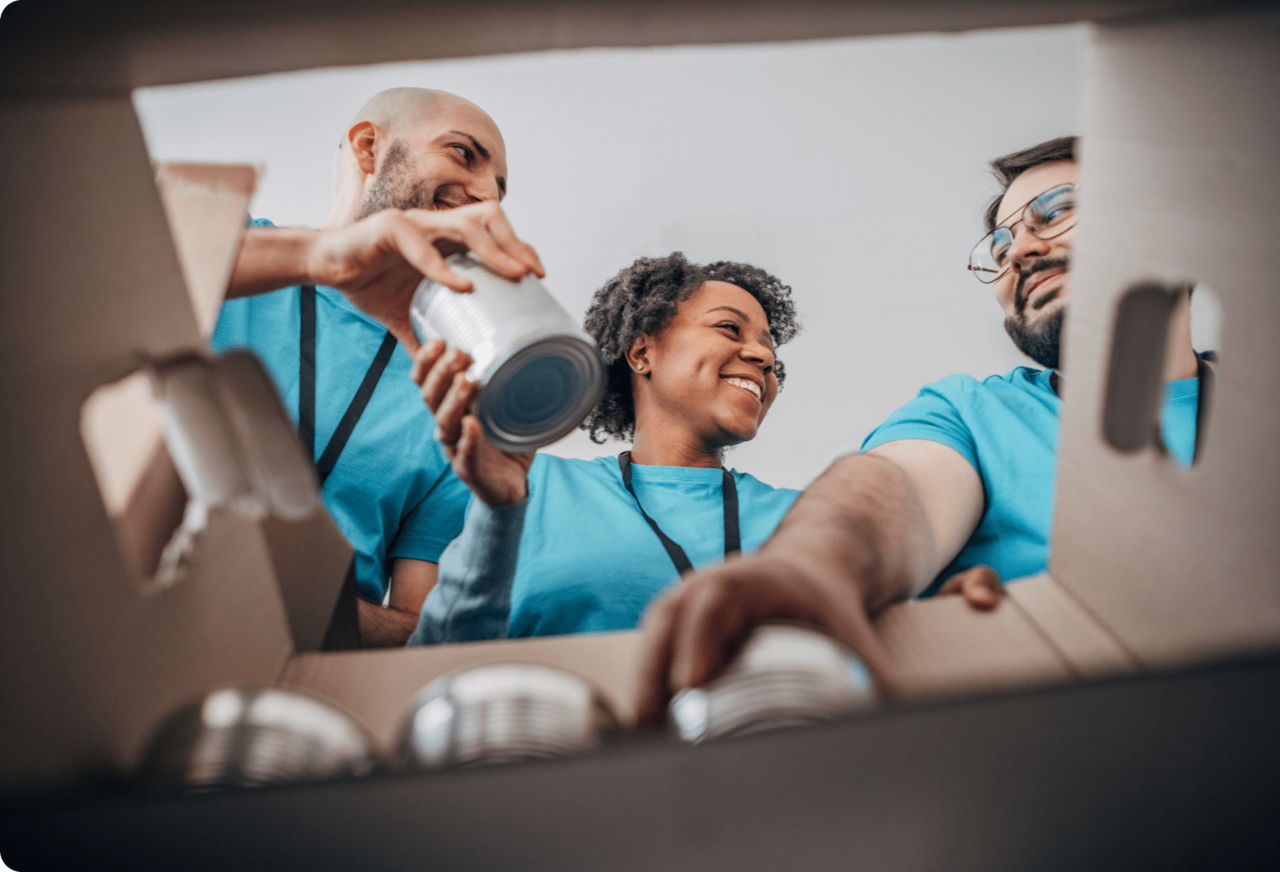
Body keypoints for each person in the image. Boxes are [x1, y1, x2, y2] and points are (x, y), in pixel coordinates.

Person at [633, 135, 1211, 723]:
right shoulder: (972, 414)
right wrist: (810, 568)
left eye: (1056, 212)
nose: (1018, 254)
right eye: (1003, 244)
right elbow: (892, 488)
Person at [212, 87, 545, 646]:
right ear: (368, 148)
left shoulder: (451, 390)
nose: (488, 196)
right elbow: (88, 271)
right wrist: (317, 258)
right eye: (464, 153)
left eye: (501, 190)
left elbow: (425, 634)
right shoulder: (225, 247)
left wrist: (286, 610)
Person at [402, 253, 805, 644]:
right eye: (729, 328)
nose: (764, 356)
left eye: (768, 346)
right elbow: (438, 657)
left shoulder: (806, 516)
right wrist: (499, 511)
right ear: (642, 353)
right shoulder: (531, 487)